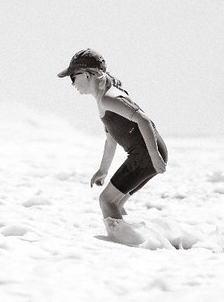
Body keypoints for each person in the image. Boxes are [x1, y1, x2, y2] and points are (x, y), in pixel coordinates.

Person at [58, 48, 168, 234]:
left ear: (86, 75)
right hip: (146, 154)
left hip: (146, 155)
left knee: (106, 201)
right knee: (116, 203)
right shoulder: (104, 99)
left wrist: (154, 156)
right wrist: (103, 170)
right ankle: (149, 241)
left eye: (72, 77)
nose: (72, 83)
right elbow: (111, 139)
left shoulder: (109, 99)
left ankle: (126, 247)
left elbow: (144, 120)